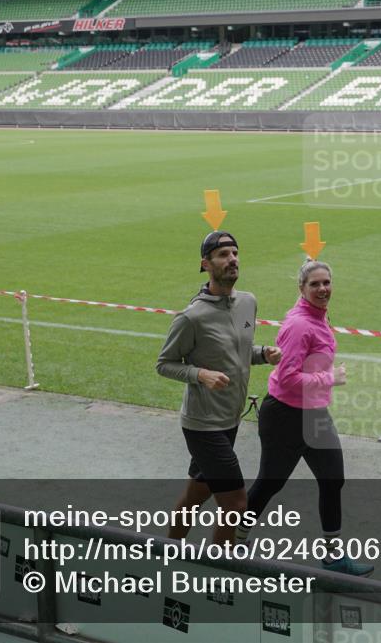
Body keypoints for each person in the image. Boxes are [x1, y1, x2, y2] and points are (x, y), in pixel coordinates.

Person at [236, 259, 373, 576]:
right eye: (315, 284)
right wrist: (330, 379)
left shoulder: (318, 317)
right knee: (270, 484)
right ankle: (234, 542)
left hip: (312, 413)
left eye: (327, 282)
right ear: (302, 288)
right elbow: (286, 379)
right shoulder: (299, 326)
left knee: (332, 479)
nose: (323, 289)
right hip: (285, 416)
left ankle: (333, 556)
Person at [156, 231, 281, 545]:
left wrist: (263, 355)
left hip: (229, 419)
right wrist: (201, 375)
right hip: (203, 426)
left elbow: (237, 352)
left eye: (235, 253)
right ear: (205, 264)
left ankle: (165, 558)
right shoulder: (191, 317)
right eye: (223, 255)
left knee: (196, 495)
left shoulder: (248, 302)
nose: (233, 260)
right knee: (236, 505)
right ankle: (215, 580)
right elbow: (165, 363)